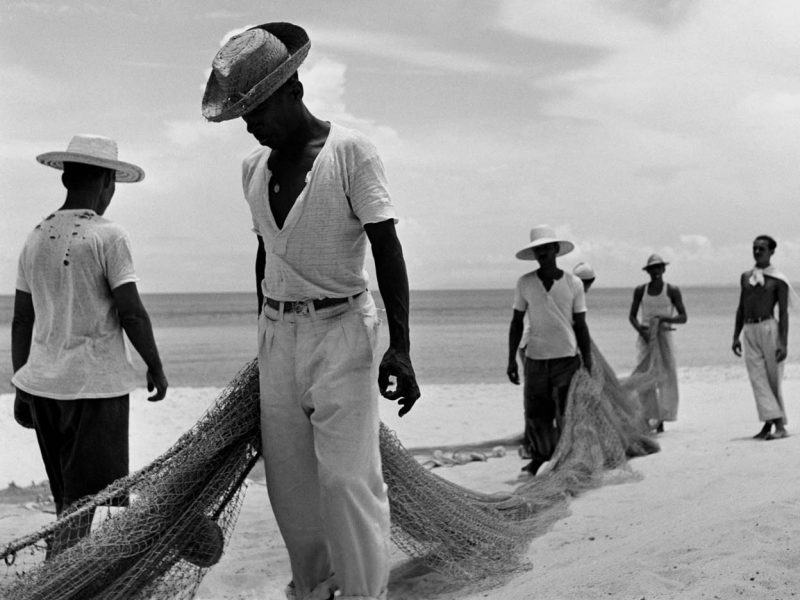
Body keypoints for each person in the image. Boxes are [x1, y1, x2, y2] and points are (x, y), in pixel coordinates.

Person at [202, 23, 420, 600]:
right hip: (278, 335)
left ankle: (365, 593)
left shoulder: (350, 153)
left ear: (293, 91)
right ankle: (316, 588)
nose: (249, 123)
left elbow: (386, 246)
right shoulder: (252, 169)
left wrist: (400, 346)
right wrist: (263, 333)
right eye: (241, 111)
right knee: (291, 488)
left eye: (257, 108)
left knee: (348, 480)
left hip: (343, 329)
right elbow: (265, 252)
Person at [11, 134, 168, 553]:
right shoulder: (108, 236)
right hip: (94, 390)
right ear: (106, 184)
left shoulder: (33, 237)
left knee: (68, 503)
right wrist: (155, 364)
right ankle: (60, 580)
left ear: (66, 180)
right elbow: (131, 312)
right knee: (85, 507)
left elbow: (22, 319)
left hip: (44, 389)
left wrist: (21, 382)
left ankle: (61, 574)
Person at [506, 225, 592, 476]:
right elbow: (516, 321)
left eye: (546, 247)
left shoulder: (573, 283)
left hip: (567, 359)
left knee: (567, 412)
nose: (542, 252)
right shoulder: (525, 283)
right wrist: (511, 359)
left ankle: (568, 458)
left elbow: (581, 324)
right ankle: (539, 457)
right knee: (535, 413)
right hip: (535, 359)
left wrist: (587, 360)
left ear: (555, 249)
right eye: (538, 249)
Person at [517, 260, 596, 459]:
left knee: (559, 409)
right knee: (539, 410)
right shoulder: (565, 294)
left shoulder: (572, 292)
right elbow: (526, 338)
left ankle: (558, 450)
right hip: (536, 356)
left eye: (588, 283)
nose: (585, 286)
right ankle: (538, 450)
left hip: (552, 358)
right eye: (584, 282)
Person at [732, 235, 795, 440]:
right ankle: (772, 423)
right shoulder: (745, 277)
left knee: (772, 377)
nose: (757, 252)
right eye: (755, 248)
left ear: (771, 252)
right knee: (757, 378)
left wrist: (783, 343)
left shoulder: (778, 280)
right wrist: (736, 336)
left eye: (762, 249)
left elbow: (783, 313)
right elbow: (741, 307)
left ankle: (777, 425)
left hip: (769, 328)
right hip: (749, 330)